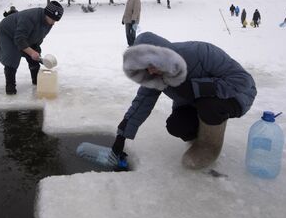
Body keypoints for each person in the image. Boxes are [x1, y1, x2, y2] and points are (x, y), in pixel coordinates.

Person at [110, 32, 257, 170]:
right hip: (195, 104)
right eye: (146, 68)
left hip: (237, 96)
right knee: (176, 125)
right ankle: (200, 137)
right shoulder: (154, 75)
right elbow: (142, 102)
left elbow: (244, 80)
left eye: (153, 65)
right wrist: (122, 135)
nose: (151, 72)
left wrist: (198, 88)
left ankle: (210, 146)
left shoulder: (201, 52)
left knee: (209, 106)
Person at [0, 1, 64, 95]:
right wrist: (31, 52)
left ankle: (36, 81)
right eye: (52, 20)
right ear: (46, 14)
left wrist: (35, 51)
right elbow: (19, 39)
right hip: (7, 31)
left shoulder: (49, 22)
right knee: (12, 57)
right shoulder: (30, 18)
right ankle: (10, 87)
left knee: (34, 55)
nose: (53, 23)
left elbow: (38, 37)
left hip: (23, 34)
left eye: (55, 21)